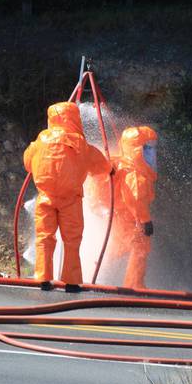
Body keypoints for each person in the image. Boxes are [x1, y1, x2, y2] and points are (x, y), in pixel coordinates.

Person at [23, 101, 111, 292]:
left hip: (45, 198)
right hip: (70, 201)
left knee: (44, 238)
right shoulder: (80, 144)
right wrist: (111, 170)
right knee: (71, 241)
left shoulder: (40, 140)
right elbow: (100, 166)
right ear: (74, 118)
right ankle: (71, 282)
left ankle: (43, 278)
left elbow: (27, 162)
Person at [87, 126, 158, 288]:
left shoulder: (121, 164)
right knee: (141, 244)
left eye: (152, 149)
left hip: (117, 213)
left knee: (120, 243)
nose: (151, 154)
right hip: (126, 214)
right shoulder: (135, 174)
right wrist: (145, 221)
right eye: (147, 149)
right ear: (136, 150)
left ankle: (95, 267)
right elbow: (135, 198)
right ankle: (134, 285)